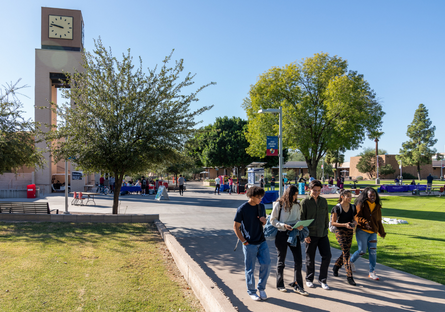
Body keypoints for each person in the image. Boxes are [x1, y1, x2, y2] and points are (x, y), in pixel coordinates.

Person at [233, 186, 270, 301]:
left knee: (266, 264)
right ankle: (251, 291)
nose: (261, 199)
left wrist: (264, 221)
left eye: (261, 197)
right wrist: (244, 242)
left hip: (262, 241)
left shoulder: (261, 206)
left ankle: (262, 288)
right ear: (251, 196)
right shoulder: (242, 209)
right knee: (250, 268)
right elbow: (236, 227)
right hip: (249, 243)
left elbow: (263, 222)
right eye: (258, 197)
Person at [271, 185, 309, 296]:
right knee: (281, 260)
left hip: (294, 233)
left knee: (298, 260)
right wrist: (283, 225)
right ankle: (280, 284)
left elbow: (298, 219)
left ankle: (298, 285)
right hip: (282, 233)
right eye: (294, 195)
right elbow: (273, 220)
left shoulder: (297, 205)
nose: (296, 197)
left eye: (297, 195)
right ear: (289, 194)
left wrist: (300, 225)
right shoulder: (279, 204)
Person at [301, 180, 332, 290]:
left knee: (327, 256)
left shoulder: (323, 201)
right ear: (309, 189)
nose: (316, 193)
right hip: (310, 234)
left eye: (319, 191)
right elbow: (302, 219)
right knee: (310, 258)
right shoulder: (304, 202)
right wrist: (305, 235)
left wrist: (326, 229)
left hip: (323, 234)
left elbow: (326, 218)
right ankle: (309, 279)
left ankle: (322, 279)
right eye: (314, 190)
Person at [350, 187, 386, 280]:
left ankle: (372, 271)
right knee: (362, 251)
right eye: (370, 195)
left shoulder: (377, 206)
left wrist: (381, 232)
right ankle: (350, 261)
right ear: (366, 196)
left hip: (373, 232)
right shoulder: (361, 204)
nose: (372, 197)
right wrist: (365, 223)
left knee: (373, 252)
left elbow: (378, 220)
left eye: (374, 195)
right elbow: (356, 217)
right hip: (362, 231)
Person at [331, 190, 357, 286]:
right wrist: (344, 225)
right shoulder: (336, 208)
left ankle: (336, 266)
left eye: (351, 196)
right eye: (348, 196)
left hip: (349, 231)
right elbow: (333, 222)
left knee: (346, 251)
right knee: (346, 253)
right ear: (342, 196)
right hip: (340, 231)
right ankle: (349, 276)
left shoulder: (353, 207)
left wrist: (354, 223)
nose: (350, 198)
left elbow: (354, 220)